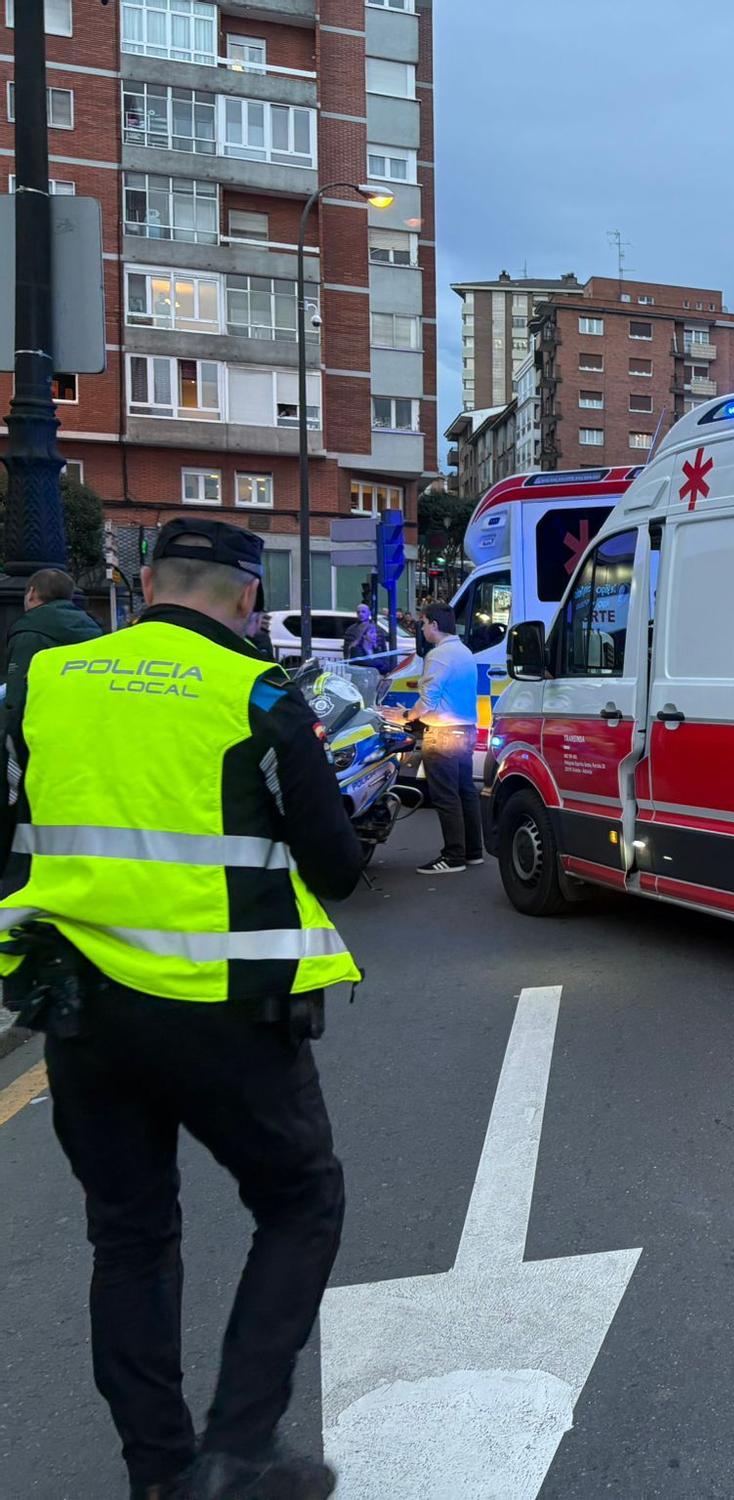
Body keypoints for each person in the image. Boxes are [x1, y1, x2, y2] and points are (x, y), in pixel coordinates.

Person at [0, 517, 364, 1500]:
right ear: (248, 596)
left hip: (81, 1012)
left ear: (146, 581)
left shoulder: (49, 681)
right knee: (300, 1200)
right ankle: (237, 1449)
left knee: (128, 1236)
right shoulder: (256, 691)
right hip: (224, 1010)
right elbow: (336, 865)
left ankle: (160, 1477)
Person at [410, 601, 484, 873]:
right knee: (466, 792)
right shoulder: (464, 651)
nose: (421, 627)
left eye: (423, 622)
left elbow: (428, 700)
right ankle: (473, 851)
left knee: (445, 796)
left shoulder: (438, 655)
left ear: (434, 625)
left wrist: (408, 715)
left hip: (441, 734)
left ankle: (453, 856)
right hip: (465, 730)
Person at [3, 565, 103, 717]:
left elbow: (16, 696)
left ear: (31, 593)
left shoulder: (30, 633)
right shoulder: (94, 630)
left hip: (42, 727)